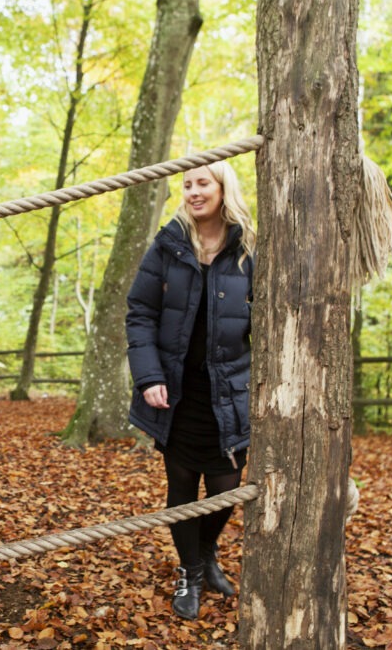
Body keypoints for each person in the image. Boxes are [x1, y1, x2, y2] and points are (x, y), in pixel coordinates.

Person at [125, 160, 255, 621]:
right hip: (175, 392)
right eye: (187, 184)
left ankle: (204, 552)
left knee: (226, 484)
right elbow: (139, 311)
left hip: (230, 392)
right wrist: (149, 376)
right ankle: (190, 572)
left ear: (224, 189)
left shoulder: (248, 247)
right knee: (181, 486)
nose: (194, 192)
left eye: (204, 183)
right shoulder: (168, 245)